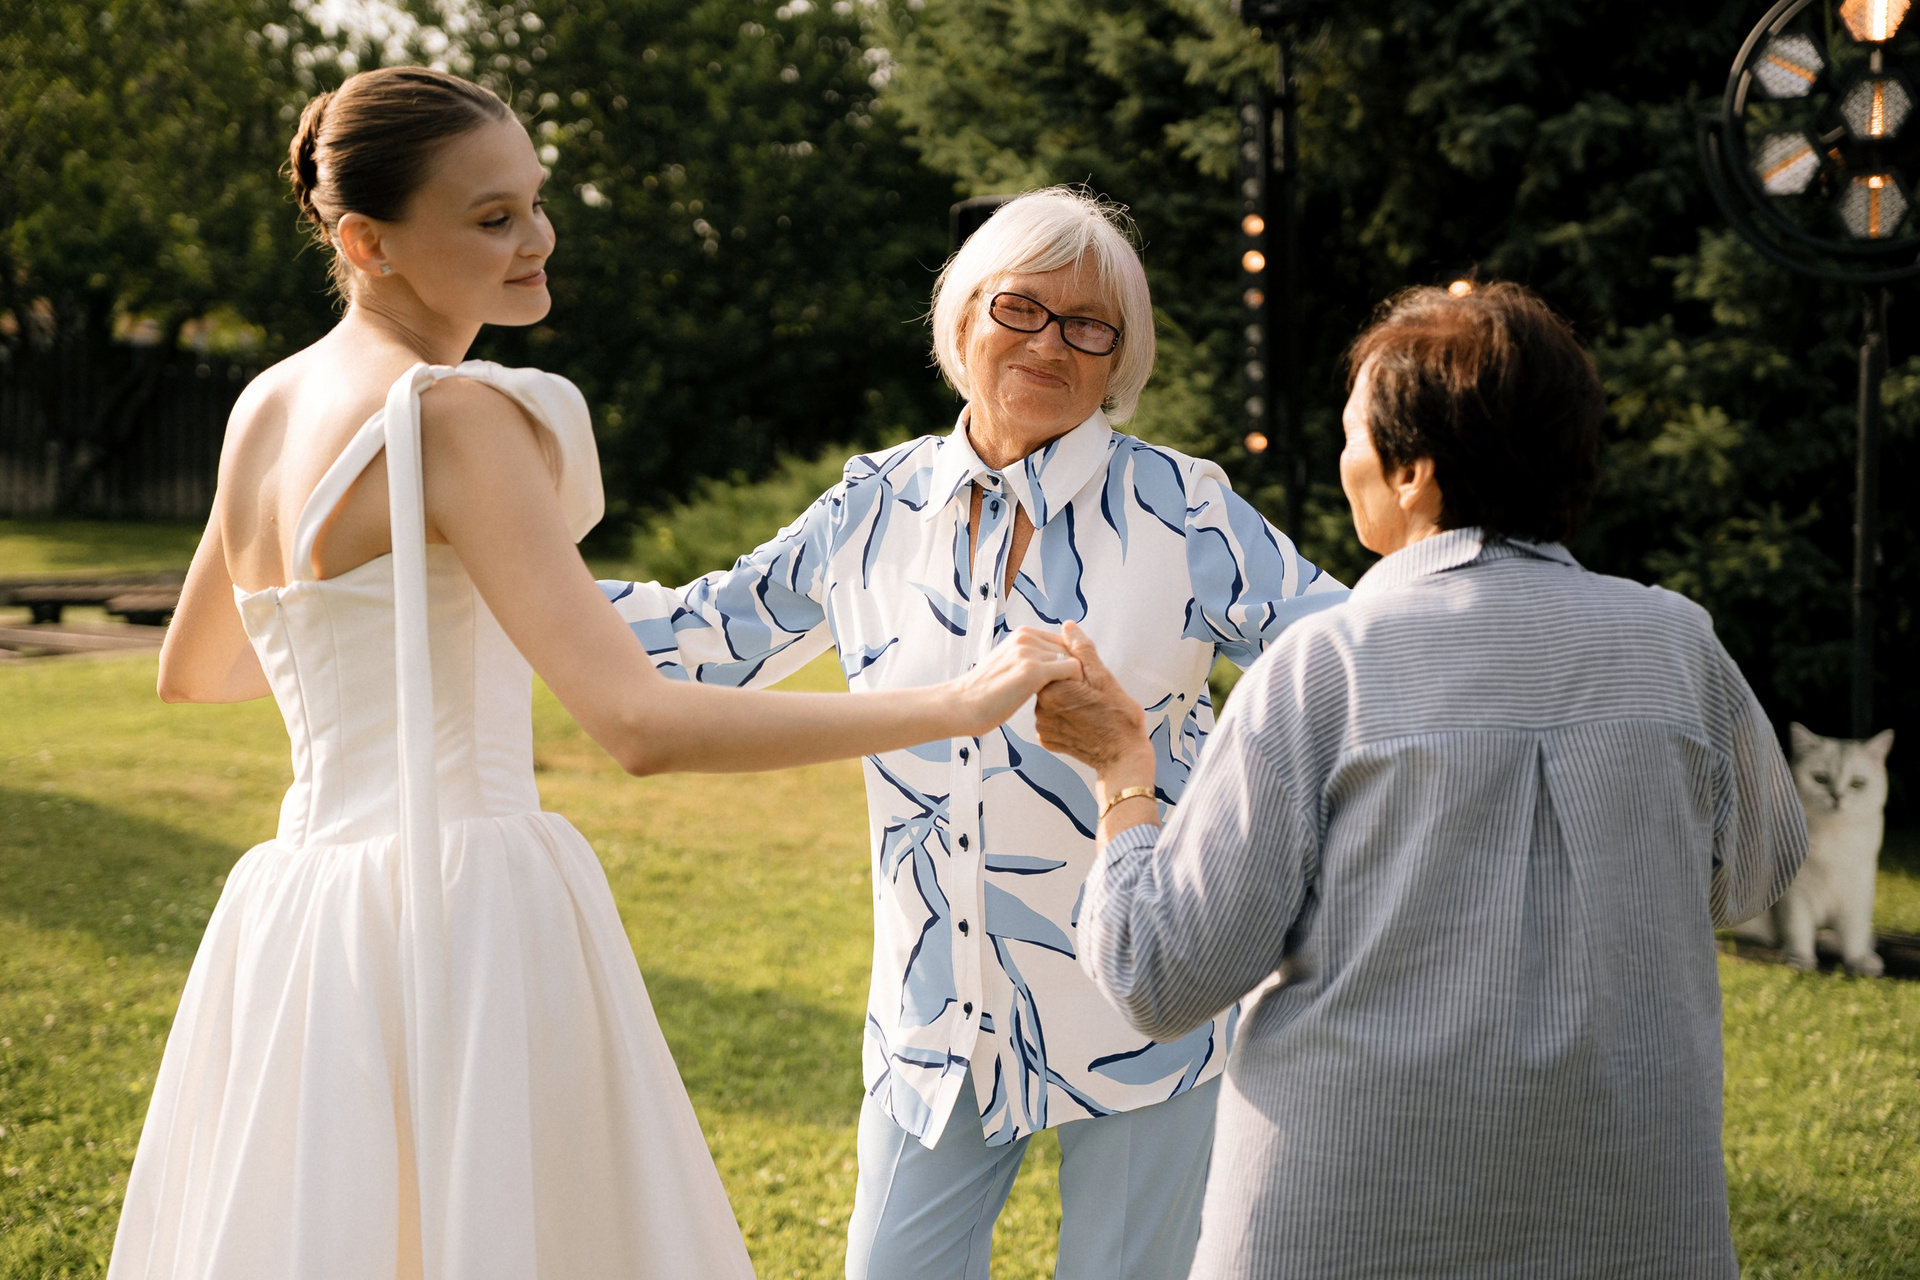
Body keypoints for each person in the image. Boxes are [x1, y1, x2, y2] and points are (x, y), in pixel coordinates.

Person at [112, 67, 1081, 1280]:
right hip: (466, 900)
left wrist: (380, 655)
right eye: (492, 217)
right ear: (367, 241)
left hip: (305, 907)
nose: (538, 239)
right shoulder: (455, 416)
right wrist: (958, 701)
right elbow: (639, 724)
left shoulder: (267, 402)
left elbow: (200, 667)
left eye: (535, 200)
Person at [600, 187, 1348, 1280]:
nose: (1051, 343)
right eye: (1022, 308)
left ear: (1120, 357)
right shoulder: (874, 503)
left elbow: (1352, 659)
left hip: (1145, 1006)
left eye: (1089, 326)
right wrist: (488, 566)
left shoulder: (1185, 508)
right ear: (963, 314)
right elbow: (705, 637)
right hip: (935, 1014)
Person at [1033, 281, 1809, 1279]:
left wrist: (1121, 773)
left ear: (1412, 472)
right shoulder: (1678, 646)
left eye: (1353, 433)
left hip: (1346, 1215)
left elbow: (1159, 975)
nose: (1344, 458)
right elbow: (1757, 872)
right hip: (1634, 1207)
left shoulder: (1326, 667)